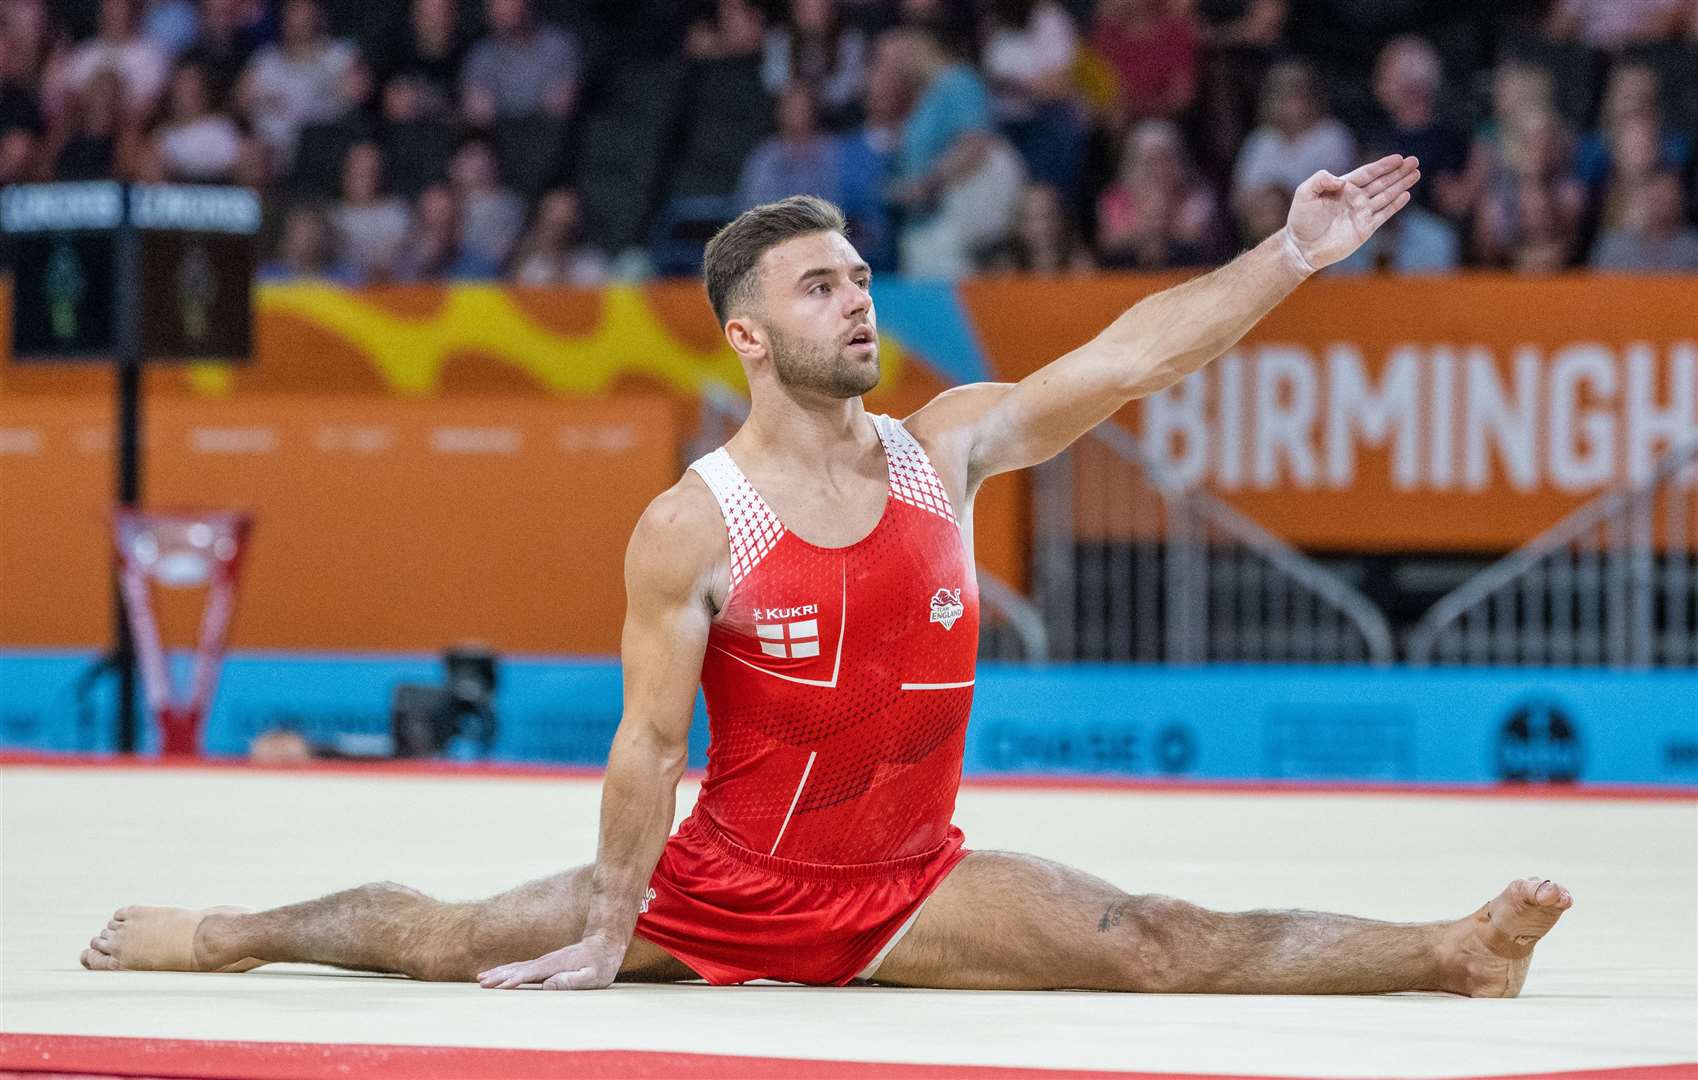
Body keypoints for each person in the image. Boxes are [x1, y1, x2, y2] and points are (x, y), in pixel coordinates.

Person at [81, 159, 1575, 999]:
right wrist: (609, 927)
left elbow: (1134, 358)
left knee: (1157, 942)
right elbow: (647, 747)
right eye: (821, 285)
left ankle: (1455, 951)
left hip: (910, 885)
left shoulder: (948, 447)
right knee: (441, 936)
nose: (857, 298)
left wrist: (1288, 256)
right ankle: (220, 932)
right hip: (720, 889)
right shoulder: (695, 521)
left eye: (862, 277)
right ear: (746, 333)